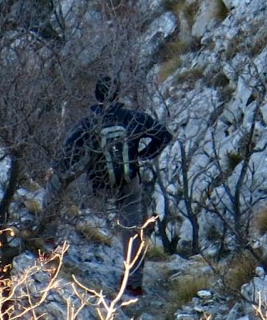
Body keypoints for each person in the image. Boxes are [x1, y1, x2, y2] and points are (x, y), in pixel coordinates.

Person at [41, 76, 173, 297]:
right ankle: (133, 285)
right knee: (132, 229)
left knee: (55, 184)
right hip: (128, 180)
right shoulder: (135, 118)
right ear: (118, 94)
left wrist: (56, 171)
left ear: (97, 96)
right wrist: (142, 155)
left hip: (98, 185)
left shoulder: (89, 123)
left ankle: (47, 237)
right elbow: (164, 135)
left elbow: (68, 156)